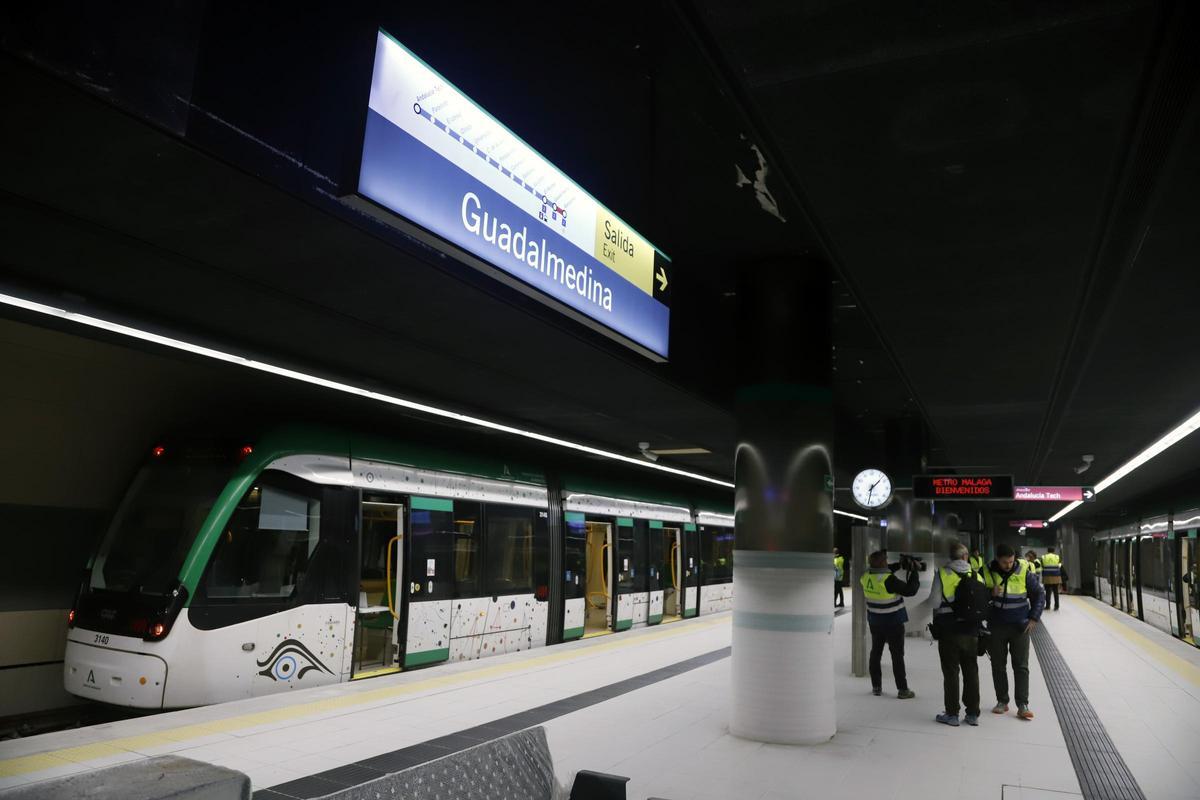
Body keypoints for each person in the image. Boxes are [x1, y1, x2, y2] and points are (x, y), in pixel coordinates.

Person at [985, 543, 1045, 720]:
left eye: (1011, 562)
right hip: (996, 626)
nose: (1008, 565)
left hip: (1020, 626)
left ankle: (1022, 704)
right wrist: (990, 592)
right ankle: (1002, 701)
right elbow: (976, 595)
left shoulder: (1023, 571)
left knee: (1021, 666)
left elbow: (1039, 594)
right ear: (997, 559)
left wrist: (1034, 617)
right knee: (998, 665)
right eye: (1004, 562)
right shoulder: (987, 571)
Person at [931, 542, 986, 727]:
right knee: (971, 671)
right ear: (965, 556)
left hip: (948, 631)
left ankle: (952, 714)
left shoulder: (942, 574)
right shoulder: (977, 575)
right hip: (971, 631)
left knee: (951, 672)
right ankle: (972, 714)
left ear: (950, 557)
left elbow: (935, 603)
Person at [860, 550, 919, 698]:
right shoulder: (889, 580)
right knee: (897, 655)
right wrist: (914, 572)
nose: (887, 562)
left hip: (875, 621)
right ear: (882, 562)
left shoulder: (866, 576)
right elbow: (911, 590)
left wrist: (899, 565)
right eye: (885, 560)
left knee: (876, 653)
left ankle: (876, 687)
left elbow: (883, 571)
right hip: (893, 622)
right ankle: (903, 689)